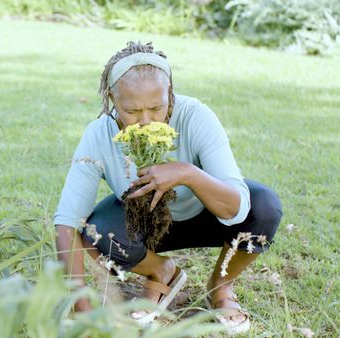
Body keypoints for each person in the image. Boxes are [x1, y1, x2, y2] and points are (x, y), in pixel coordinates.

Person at [54, 41, 282, 334]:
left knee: (263, 206)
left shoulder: (196, 116)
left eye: (156, 107)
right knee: (97, 232)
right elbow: (67, 223)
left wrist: (187, 173)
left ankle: (220, 287)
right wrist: (81, 307)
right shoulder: (99, 134)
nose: (146, 121)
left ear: (170, 93)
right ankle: (161, 272)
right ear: (112, 98)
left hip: (206, 217)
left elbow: (236, 208)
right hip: (146, 224)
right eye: (132, 110)